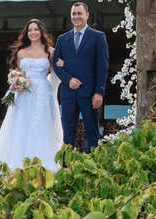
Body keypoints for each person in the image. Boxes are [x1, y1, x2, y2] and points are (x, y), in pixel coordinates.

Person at [0, 19, 64, 172]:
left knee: (42, 126)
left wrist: (62, 65)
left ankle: (43, 164)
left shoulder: (50, 51)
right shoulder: (21, 52)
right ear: (26, 33)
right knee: (22, 124)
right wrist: (16, 81)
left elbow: (55, 71)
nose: (33, 33)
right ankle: (18, 163)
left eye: (36, 29)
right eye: (30, 30)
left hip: (42, 92)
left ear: (41, 32)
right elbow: (17, 72)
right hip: (24, 93)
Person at [53, 1, 108, 153]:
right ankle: (66, 167)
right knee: (67, 133)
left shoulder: (97, 36)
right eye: (74, 14)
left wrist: (99, 92)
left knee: (92, 132)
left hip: (90, 93)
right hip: (68, 93)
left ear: (87, 15)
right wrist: (68, 79)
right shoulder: (62, 39)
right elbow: (56, 65)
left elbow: (102, 67)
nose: (76, 17)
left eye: (79, 13)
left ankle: (94, 167)